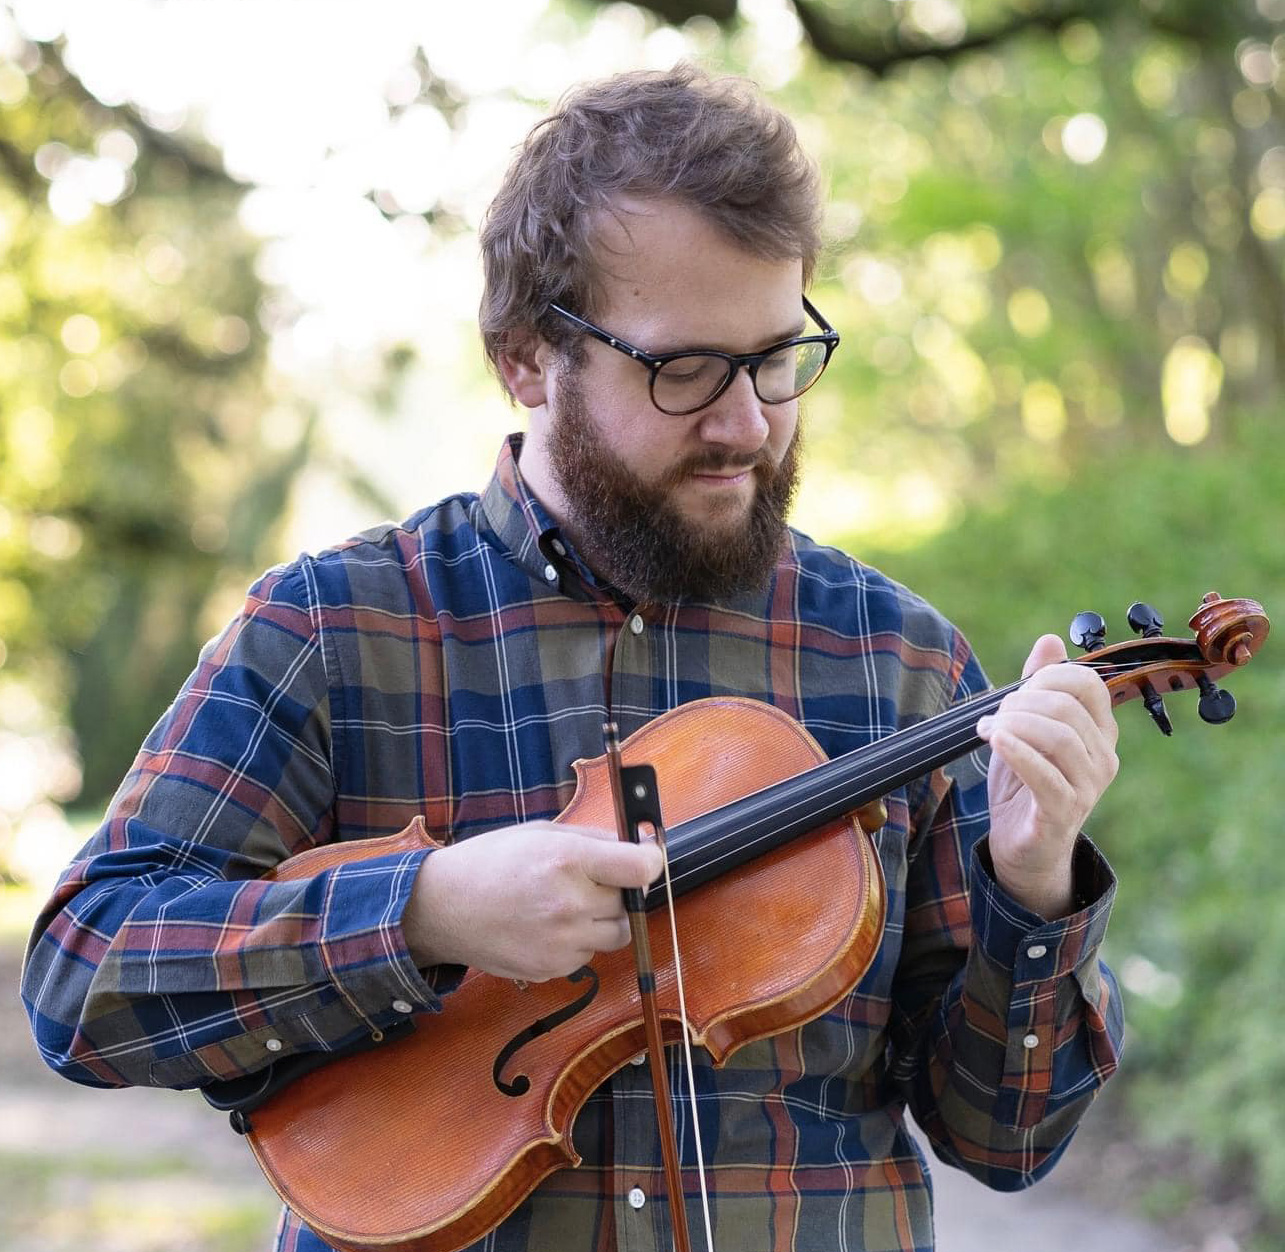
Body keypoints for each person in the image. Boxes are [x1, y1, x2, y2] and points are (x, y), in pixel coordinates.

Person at [21, 64, 1124, 1252]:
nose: (747, 422)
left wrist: (1031, 886)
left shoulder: (895, 658)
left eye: (774, 358)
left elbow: (1004, 1140)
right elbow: (85, 977)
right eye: (684, 369)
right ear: (526, 359)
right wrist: (421, 912)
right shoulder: (338, 628)